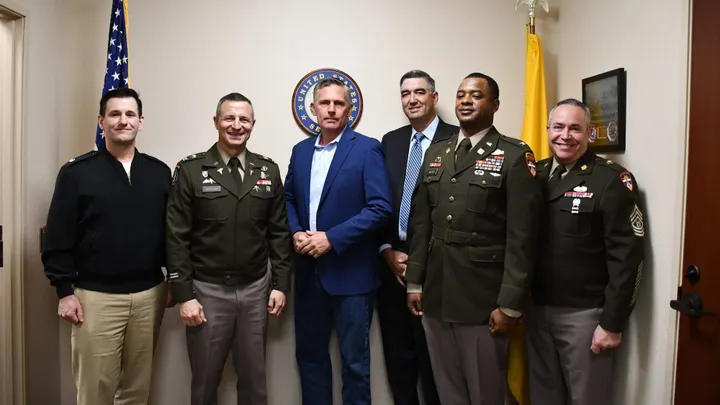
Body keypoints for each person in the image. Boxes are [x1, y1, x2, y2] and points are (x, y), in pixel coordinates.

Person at [405, 73, 542, 405]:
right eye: (461, 95)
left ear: (494, 105)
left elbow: (523, 237)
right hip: (437, 294)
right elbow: (421, 223)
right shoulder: (437, 152)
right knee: (448, 388)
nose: (466, 101)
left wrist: (509, 304)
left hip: (484, 299)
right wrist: (414, 283)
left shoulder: (514, 156)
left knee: (486, 392)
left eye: (476, 95)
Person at [41, 88, 171, 405]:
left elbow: (171, 234)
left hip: (148, 295)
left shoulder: (159, 172)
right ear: (101, 122)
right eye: (114, 114)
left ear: (141, 122)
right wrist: (63, 290)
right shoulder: (76, 173)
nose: (122, 121)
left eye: (129, 115)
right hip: (95, 298)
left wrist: (173, 282)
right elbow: (58, 235)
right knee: (96, 389)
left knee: (136, 390)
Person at [165, 92, 291, 405]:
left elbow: (278, 233)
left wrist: (281, 285)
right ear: (216, 122)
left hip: (255, 290)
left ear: (253, 124)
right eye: (229, 118)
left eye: (244, 119)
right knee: (205, 383)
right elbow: (176, 235)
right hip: (206, 291)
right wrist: (184, 295)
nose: (236, 125)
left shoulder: (268, 171)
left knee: (254, 384)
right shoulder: (191, 170)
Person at [526, 98, 644, 405]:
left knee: (586, 399)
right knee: (543, 396)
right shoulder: (533, 175)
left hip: (585, 316)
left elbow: (627, 259)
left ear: (589, 134)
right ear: (547, 129)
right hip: (536, 310)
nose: (565, 135)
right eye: (559, 127)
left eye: (575, 128)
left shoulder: (611, 180)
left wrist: (612, 323)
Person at [284, 77, 393, 405]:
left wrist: (332, 238)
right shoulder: (300, 151)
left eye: (339, 103)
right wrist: (295, 231)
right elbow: (287, 197)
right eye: (325, 103)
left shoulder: (366, 148)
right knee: (310, 357)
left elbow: (381, 207)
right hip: (308, 274)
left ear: (349, 109)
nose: (331, 109)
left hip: (352, 276)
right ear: (314, 108)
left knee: (355, 364)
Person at [377, 70, 457, 405]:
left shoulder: (457, 139)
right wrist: (385, 251)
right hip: (393, 265)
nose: (412, 99)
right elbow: (378, 203)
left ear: (434, 98)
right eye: (406, 93)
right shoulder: (391, 141)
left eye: (420, 92)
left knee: (437, 361)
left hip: (439, 269)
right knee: (400, 359)